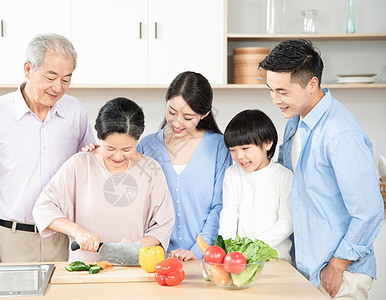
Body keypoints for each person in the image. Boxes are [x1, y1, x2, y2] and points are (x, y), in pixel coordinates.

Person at [259, 39, 384, 299]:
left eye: (282, 91)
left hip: (338, 273)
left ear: (312, 84)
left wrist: (337, 266)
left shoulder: (340, 133)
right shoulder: (295, 121)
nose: (274, 100)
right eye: (270, 90)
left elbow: (369, 212)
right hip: (306, 268)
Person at [0, 33, 95, 263]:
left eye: (66, 79)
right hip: (10, 239)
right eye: (51, 76)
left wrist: (93, 156)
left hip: (62, 240)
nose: (58, 87)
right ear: (28, 69)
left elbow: (89, 175)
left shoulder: (75, 112)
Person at [33, 97, 175, 261]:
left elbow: (163, 225)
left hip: (133, 270)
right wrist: (76, 231)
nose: (118, 156)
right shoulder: (79, 165)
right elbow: (43, 207)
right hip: (86, 271)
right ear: (99, 138)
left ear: (137, 140)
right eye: (110, 148)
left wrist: (138, 246)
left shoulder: (151, 170)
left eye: (127, 149)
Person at [137, 71, 232, 261]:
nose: (177, 122)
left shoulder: (219, 147)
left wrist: (199, 250)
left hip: (205, 259)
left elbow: (220, 206)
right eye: (172, 112)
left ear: (204, 114)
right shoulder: (146, 146)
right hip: (155, 258)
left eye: (188, 117)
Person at [218, 109, 293, 262]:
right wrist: (226, 249)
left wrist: (251, 247)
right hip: (240, 260)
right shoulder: (232, 174)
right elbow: (229, 214)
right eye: (233, 150)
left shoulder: (283, 176)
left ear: (268, 143)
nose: (239, 156)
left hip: (275, 259)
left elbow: (287, 222)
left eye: (245, 148)